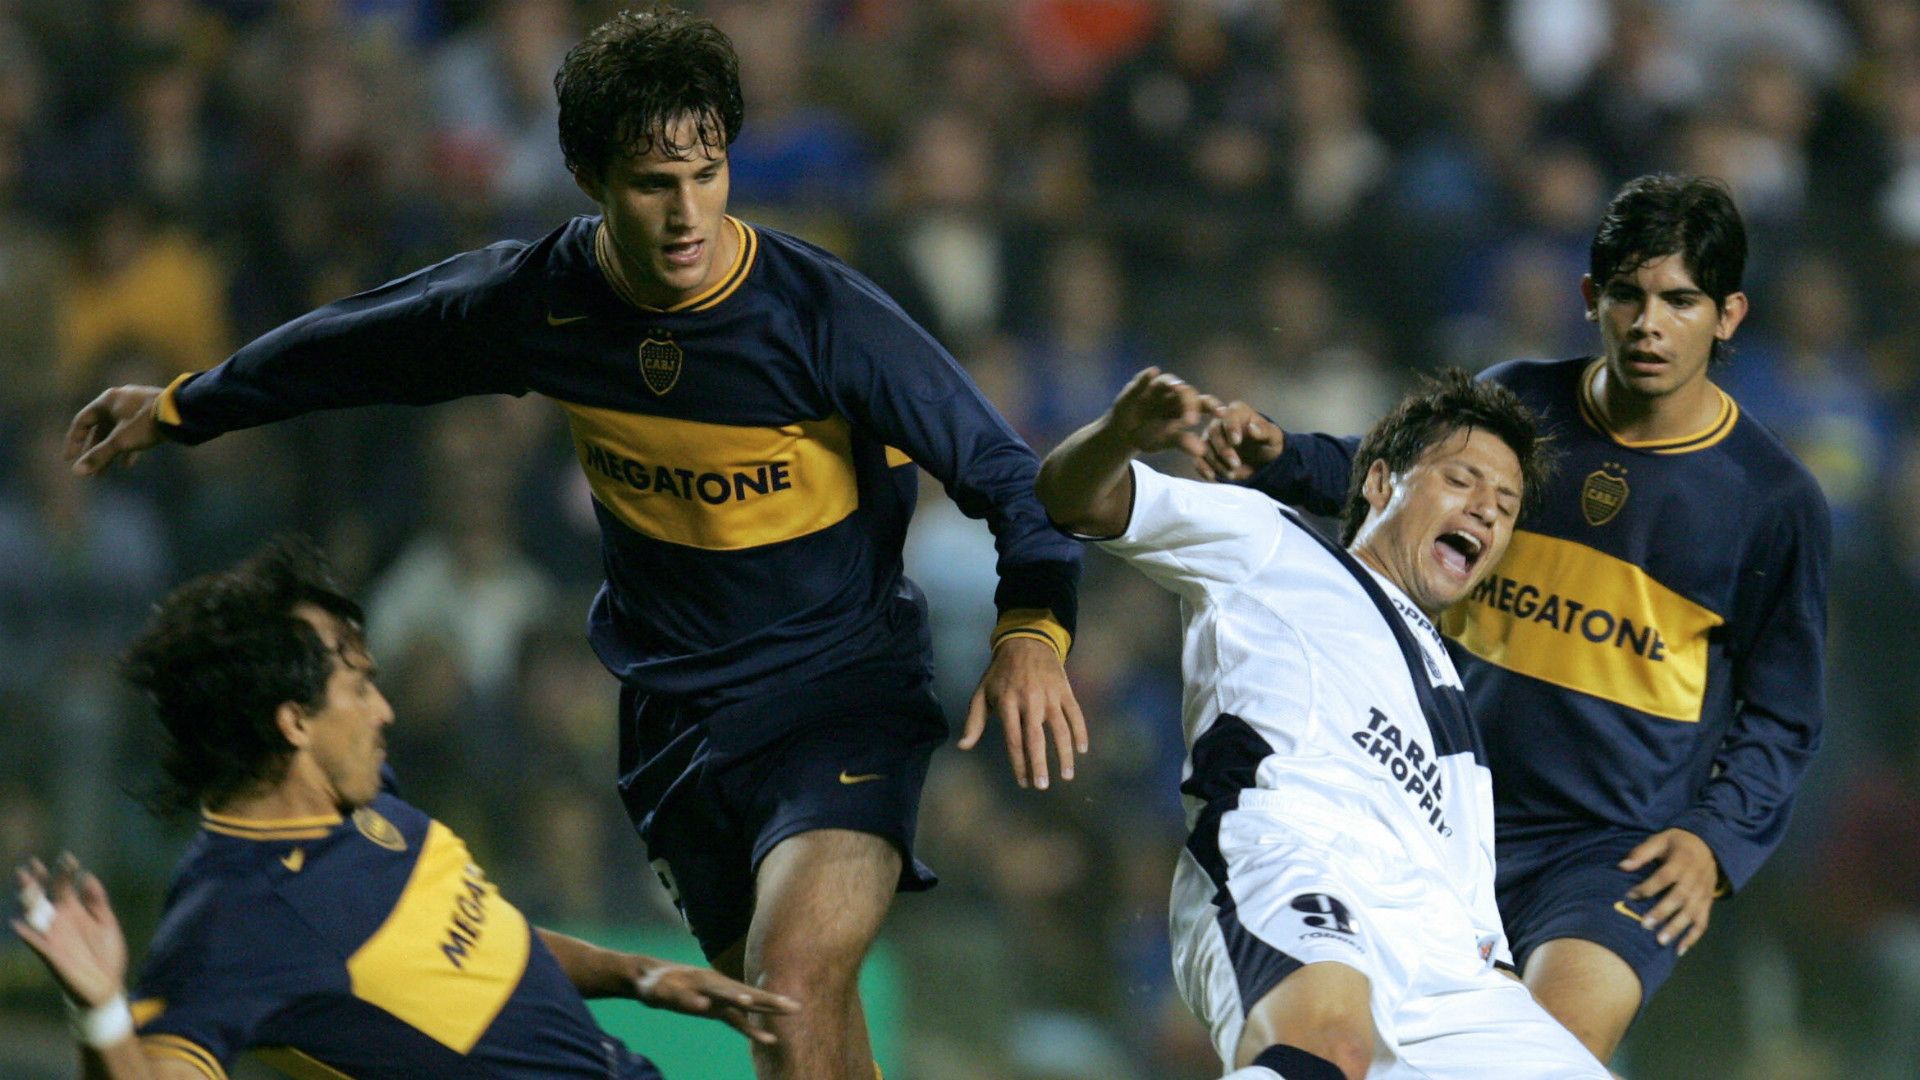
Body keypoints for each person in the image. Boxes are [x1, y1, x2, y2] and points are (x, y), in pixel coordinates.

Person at [61, 8, 1084, 1078]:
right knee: (798, 1022)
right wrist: (189, 404)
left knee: (788, 986)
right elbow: (363, 344)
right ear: (593, 179)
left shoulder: (823, 316)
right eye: (653, 183)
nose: (688, 213)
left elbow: (1013, 479)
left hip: (841, 694)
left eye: (708, 172)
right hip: (676, 720)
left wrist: (1032, 634)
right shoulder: (544, 301)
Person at [1195, 174, 1830, 1062]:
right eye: (1629, 295)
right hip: (1437, 810)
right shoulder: (1520, 403)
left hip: (1612, 853)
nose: (1650, 323)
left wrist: (1716, 841)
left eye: (1680, 301)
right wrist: (1280, 459)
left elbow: (1785, 712)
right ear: (1590, 300)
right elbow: (1397, 480)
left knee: (1542, 1059)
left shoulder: (1773, 500)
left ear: (1728, 316)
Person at [9, 538, 797, 1080]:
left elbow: (487, 942)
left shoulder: (363, 800)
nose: (384, 711)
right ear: (294, 722)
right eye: (360, 687)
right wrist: (101, 1011)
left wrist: (643, 977)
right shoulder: (234, 917)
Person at [1036, 368, 1606, 1080]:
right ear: (1377, 482)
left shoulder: (1455, 707)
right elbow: (1070, 498)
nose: (1487, 510)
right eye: (1463, 480)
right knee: (1328, 1049)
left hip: (1445, 960)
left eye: (1507, 503)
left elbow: (1467, 902)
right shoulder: (1269, 541)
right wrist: (1119, 437)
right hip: (1295, 859)